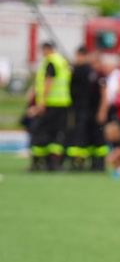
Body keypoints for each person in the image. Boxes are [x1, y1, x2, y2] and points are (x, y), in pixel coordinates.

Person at [27, 41, 71, 171]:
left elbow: (48, 82)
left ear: (46, 49)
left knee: (41, 131)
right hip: (63, 102)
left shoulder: (50, 62)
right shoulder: (61, 61)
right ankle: (54, 163)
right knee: (56, 133)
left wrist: (41, 103)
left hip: (51, 103)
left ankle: (38, 163)